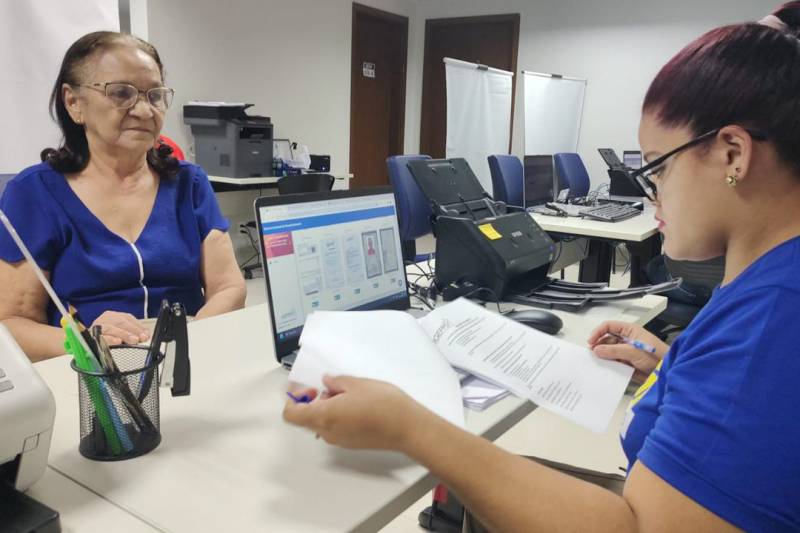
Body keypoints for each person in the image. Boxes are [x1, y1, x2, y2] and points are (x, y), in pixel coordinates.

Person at [284, 4, 800, 531]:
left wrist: (410, 428)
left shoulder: (772, 324)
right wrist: (673, 371)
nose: (653, 194)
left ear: (734, 154)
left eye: (659, 169)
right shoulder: (772, 287)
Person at [0, 32, 246, 362]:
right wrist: (89, 345)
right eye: (121, 93)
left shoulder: (189, 183)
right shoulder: (35, 193)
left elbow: (229, 288)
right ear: (73, 102)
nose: (145, 110)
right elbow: (11, 323)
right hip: (92, 374)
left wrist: (186, 352)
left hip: (185, 361)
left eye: (155, 95)